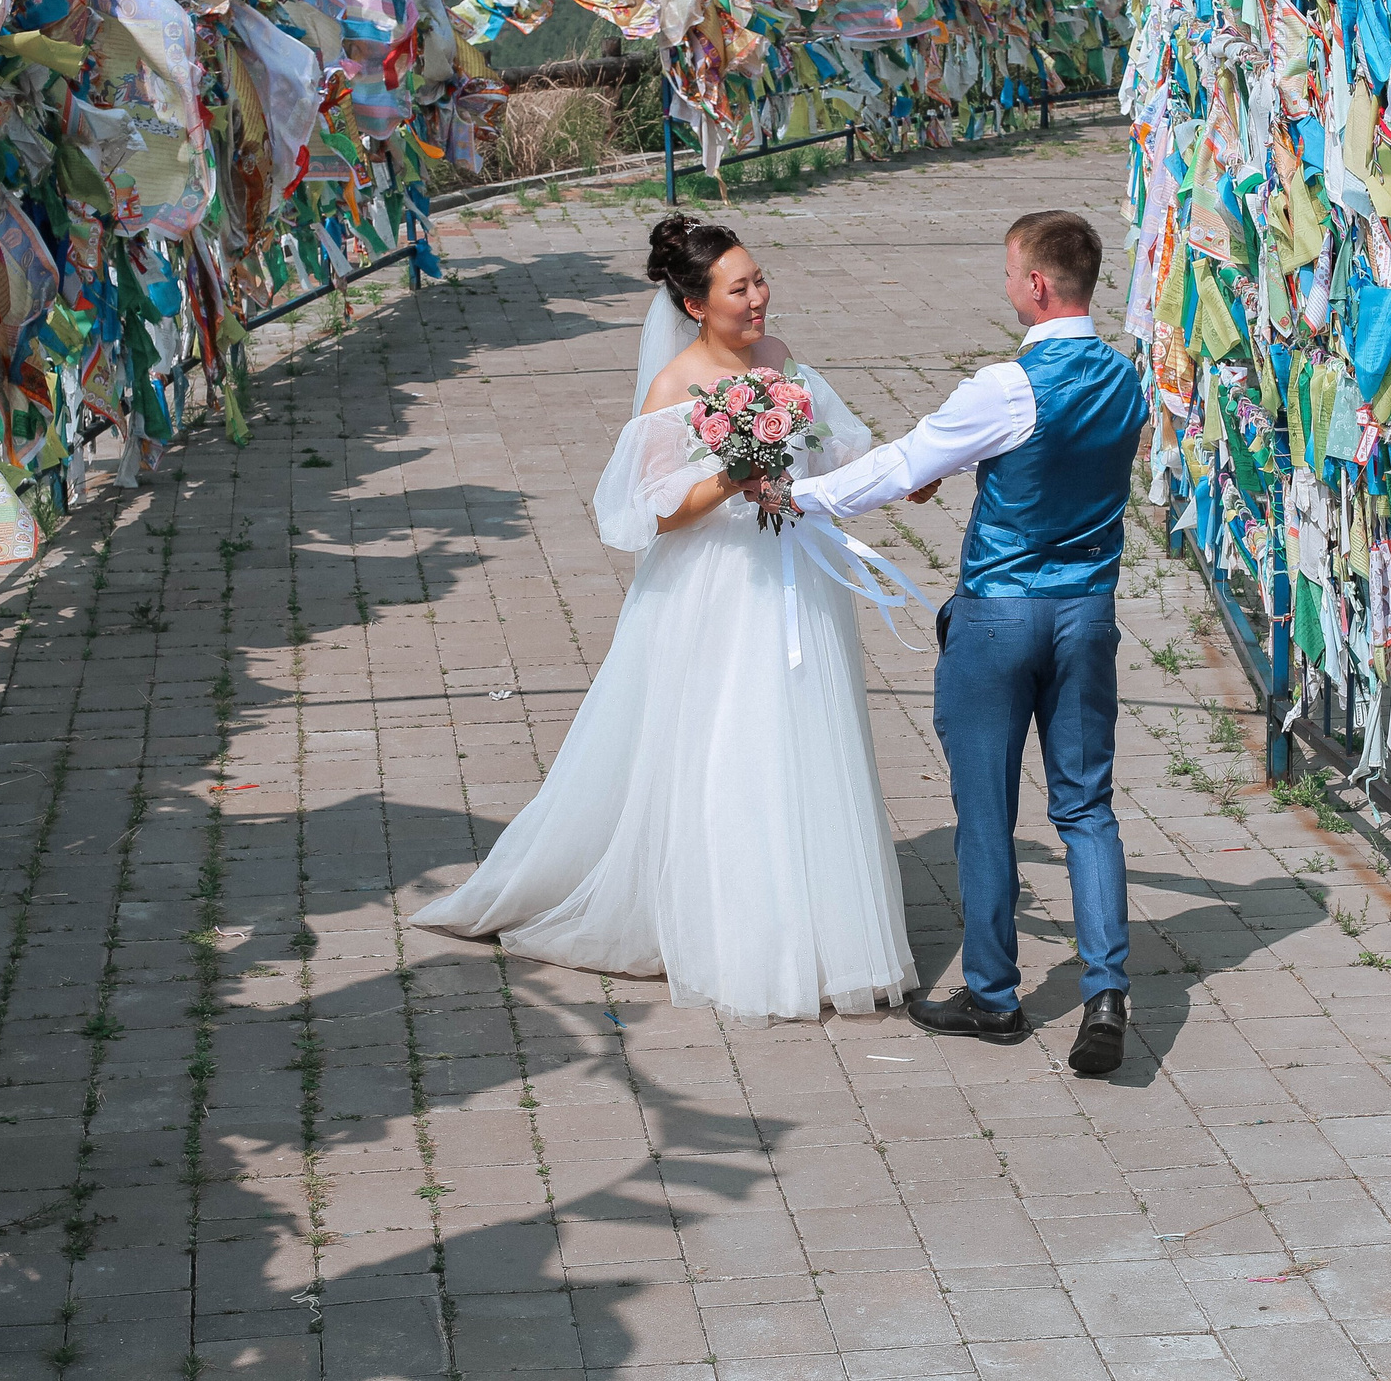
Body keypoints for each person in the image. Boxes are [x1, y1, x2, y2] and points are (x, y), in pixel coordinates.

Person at [409, 216, 916, 1023]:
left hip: (793, 572)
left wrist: (900, 474)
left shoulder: (780, 360)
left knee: (807, 742)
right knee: (732, 747)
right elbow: (647, 512)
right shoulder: (674, 388)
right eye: (738, 287)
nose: (758, 298)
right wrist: (732, 475)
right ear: (692, 302)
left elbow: (834, 446)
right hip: (718, 585)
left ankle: (825, 932)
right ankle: (741, 937)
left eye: (759, 280)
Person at [786, 210, 1148, 1075]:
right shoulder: (1129, 378)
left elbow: (902, 463)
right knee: (1087, 807)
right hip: (1088, 610)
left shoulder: (1004, 384)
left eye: (1008, 270)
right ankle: (1107, 990)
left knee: (986, 812)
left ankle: (994, 994)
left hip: (1001, 614)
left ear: (1034, 285)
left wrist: (796, 498)